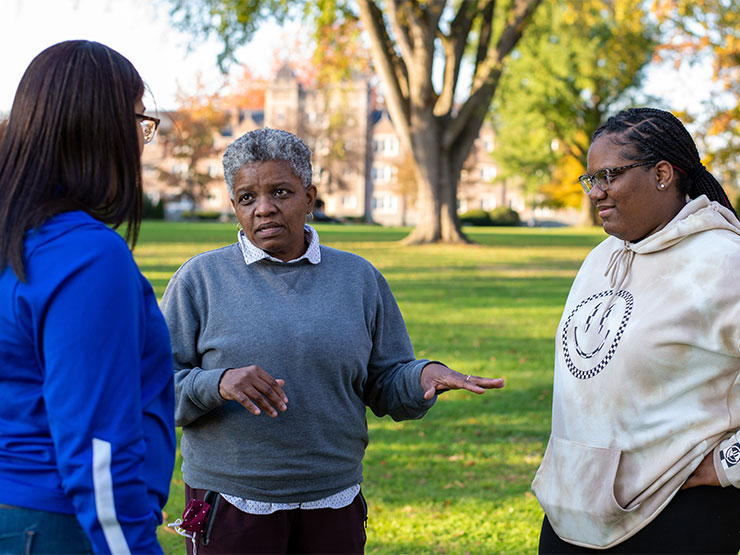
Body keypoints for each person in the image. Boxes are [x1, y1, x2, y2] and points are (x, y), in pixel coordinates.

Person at [160, 127, 505, 554]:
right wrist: (218, 383)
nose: (264, 209)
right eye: (247, 198)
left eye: (281, 192)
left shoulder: (358, 278)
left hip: (333, 498)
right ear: (234, 207)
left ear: (310, 197)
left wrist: (423, 377)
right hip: (232, 504)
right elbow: (154, 388)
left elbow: (385, 382)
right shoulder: (199, 280)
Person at [532, 107, 740, 553]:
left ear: (663, 173)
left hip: (673, 520)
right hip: (572, 516)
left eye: (610, 175)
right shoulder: (599, 258)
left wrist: (725, 466)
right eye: (591, 180)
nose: (596, 193)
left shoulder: (725, 262)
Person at [0, 41, 175, 553]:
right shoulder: (85, 256)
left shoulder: (20, 239)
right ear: (103, 127)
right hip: (54, 524)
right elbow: (98, 451)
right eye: (141, 122)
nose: (143, 141)